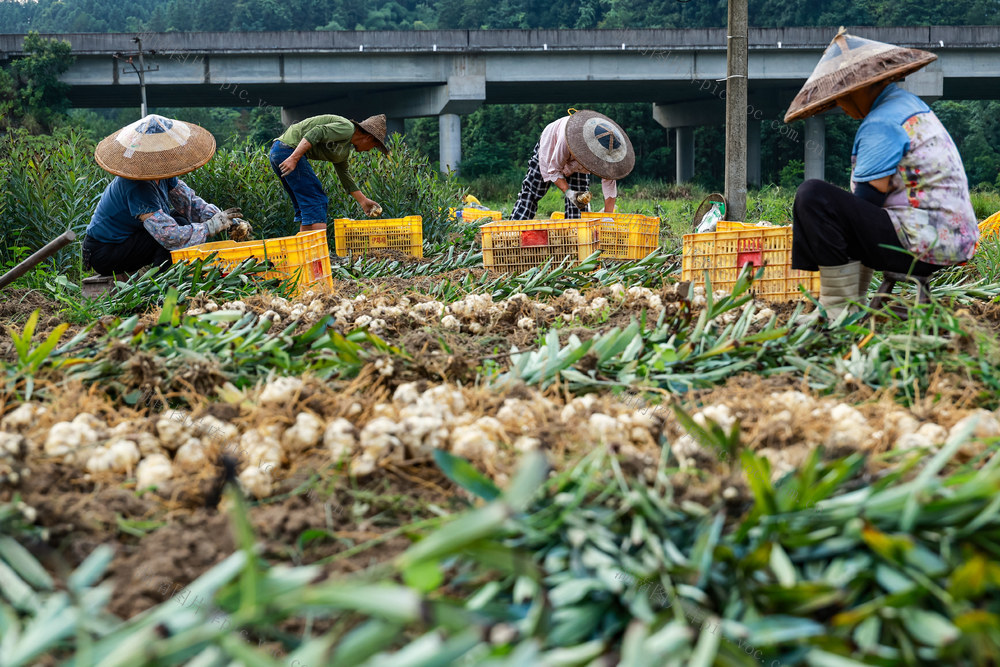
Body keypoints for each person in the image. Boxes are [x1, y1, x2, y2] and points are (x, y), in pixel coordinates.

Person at [785, 28, 979, 319]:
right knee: (834, 207)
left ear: (861, 87)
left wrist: (832, 222)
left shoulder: (882, 123)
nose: (842, 104)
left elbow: (865, 204)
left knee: (813, 196)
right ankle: (847, 303)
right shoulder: (910, 106)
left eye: (843, 95)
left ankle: (838, 309)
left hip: (922, 243)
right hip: (950, 240)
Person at [83, 114, 243, 276]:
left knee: (179, 219)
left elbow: (190, 204)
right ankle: (163, 289)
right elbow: (167, 236)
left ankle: (174, 279)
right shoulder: (137, 186)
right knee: (165, 240)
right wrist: (209, 227)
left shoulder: (164, 176)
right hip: (105, 252)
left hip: (130, 239)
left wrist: (228, 221)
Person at [269, 114, 388, 232]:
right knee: (317, 200)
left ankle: (306, 249)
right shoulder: (347, 128)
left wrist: (363, 201)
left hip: (281, 152)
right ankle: (319, 249)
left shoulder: (343, 149)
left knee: (306, 207)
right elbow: (317, 132)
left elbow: (344, 174)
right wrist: (294, 158)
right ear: (369, 138)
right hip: (288, 151)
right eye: (374, 146)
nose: (369, 150)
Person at [511, 110, 635, 220]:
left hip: (576, 164)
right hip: (551, 144)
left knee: (579, 203)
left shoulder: (608, 154)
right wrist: (569, 192)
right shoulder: (565, 141)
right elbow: (554, 170)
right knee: (533, 191)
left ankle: (575, 240)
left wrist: (609, 217)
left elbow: (609, 185)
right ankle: (513, 232)